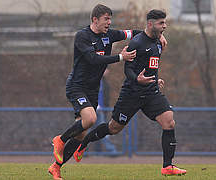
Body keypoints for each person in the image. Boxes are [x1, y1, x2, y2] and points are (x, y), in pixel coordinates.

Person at [48, 4, 167, 180]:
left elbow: (135, 33)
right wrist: (121, 57)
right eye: (106, 19)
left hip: (93, 89)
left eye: (110, 19)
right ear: (95, 20)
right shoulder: (82, 36)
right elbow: (93, 59)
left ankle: (56, 167)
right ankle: (60, 140)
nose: (109, 23)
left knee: (81, 133)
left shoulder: (110, 35)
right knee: (91, 119)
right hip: (77, 86)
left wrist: (161, 34)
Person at [74, 9, 187, 176]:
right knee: (113, 128)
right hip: (132, 93)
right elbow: (128, 70)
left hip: (151, 92)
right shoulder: (137, 43)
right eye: (161, 23)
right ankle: (84, 143)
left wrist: (156, 79)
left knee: (169, 121)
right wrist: (137, 79)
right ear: (150, 24)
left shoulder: (158, 43)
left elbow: (150, 66)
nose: (165, 26)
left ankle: (167, 166)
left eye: (165, 22)